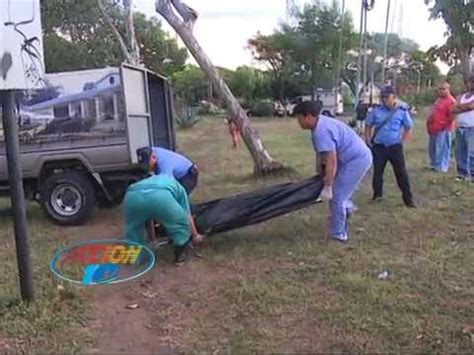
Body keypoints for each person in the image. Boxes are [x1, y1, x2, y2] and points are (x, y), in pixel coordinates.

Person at [294, 100, 372, 243]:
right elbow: (321, 153)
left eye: (299, 119)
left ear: (309, 117)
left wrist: (328, 186)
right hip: (348, 158)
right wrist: (320, 174)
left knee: (337, 196)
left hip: (357, 159)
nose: (298, 123)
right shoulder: (318, 125)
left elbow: (331, 161)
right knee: (339, 194)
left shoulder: (322, 130)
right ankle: (347, 209)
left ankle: (338, 234)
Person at [124, 149, 203, 265]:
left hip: (131, 196)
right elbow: (186, 214)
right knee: (180, 224)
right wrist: (195, 234)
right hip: (160, 196)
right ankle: (179, 257)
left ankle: (134, 259)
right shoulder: (176, 187)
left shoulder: (158, 173)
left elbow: (148, 216)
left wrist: (152, 240)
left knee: (133, 229)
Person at [364, 85, 417, 208]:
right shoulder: (376, 111)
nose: (384, 99)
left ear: (394, 97)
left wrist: (403, 141)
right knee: (378, 172)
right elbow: (368, 125)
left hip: (395, 147)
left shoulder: (401, 112)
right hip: (379, 147)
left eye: (387, 97)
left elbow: (408, 127)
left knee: (401, 173)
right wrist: (367, 140)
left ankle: (408, 199)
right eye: (382, 97)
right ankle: (377, 195)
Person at [427, 82, 456, 173]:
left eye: (444, 89)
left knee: (443, 148)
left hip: (444, 128)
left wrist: (445, 125)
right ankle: (434, 164)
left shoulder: (451, 101)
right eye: (440, 89)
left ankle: (442, 167)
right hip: (434, 128)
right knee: (433, 147)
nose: (441, 91)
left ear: (448, 89)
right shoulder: (438, 100)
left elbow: (452, 116)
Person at [452, 74, 474, 182]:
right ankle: (462, 174)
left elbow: (471, 106)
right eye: (471, 82)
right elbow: (453, 109)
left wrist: (460, 107)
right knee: (460, 152)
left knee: (472, 152)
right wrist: (466, 107)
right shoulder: (462, 96)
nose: (472, 84)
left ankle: (472, 175)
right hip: (460, 127)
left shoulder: (460, 99)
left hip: (472, 127)